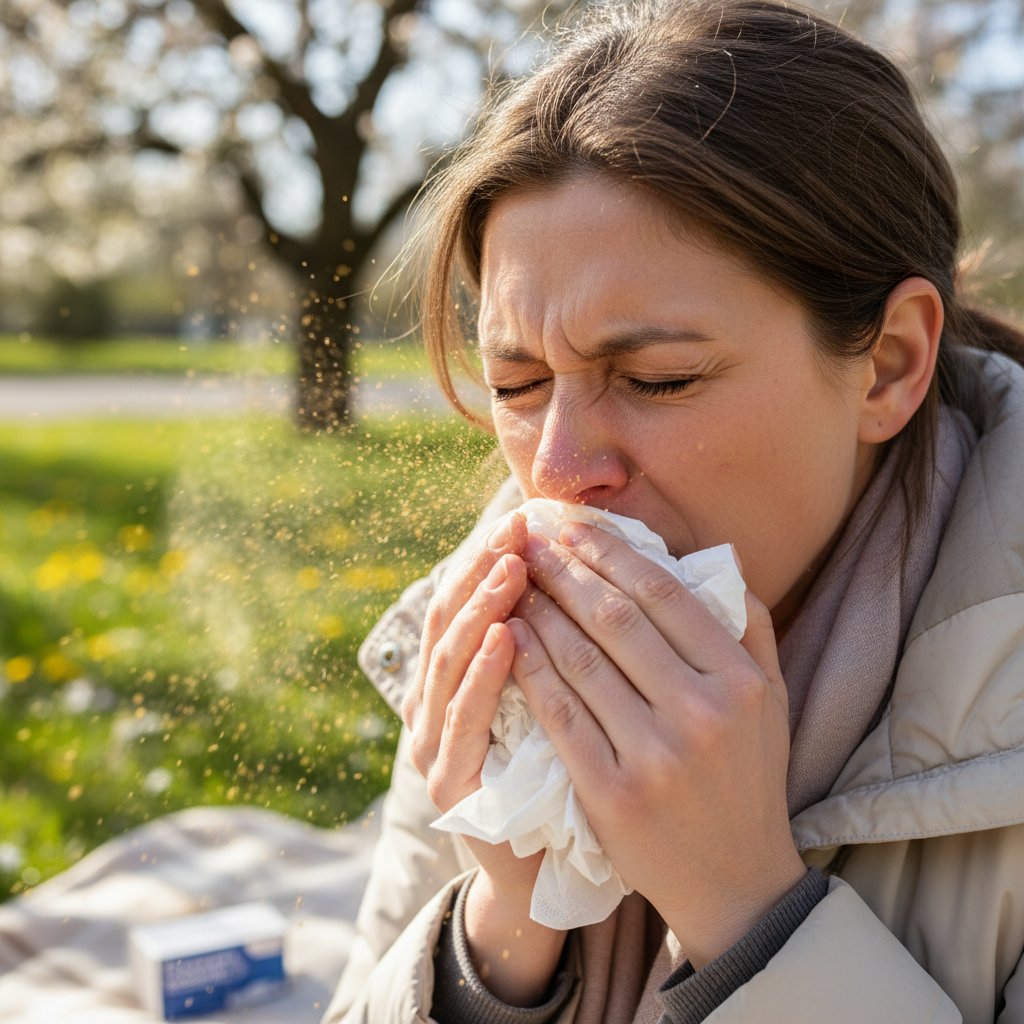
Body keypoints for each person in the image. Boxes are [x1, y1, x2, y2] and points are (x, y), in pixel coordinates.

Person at [322, 1, 1024, 1020]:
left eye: (657, 379)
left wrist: (746, 910)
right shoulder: (489, 645)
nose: (556, 475)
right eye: (517, 386)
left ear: (889, 363)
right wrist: (501, 933)